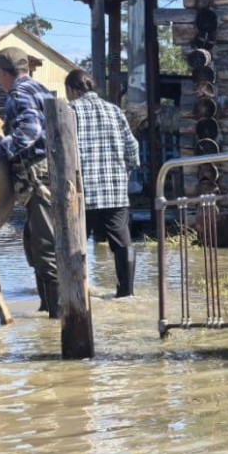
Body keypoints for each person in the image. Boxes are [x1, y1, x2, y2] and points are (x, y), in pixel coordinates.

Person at [0, 47, 59, 316]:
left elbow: (30, 129)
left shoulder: (18, 93)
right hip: (50, 172)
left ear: (2, 72)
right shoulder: (39, 88)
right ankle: (47, 309)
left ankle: (57, 316)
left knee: (45, 246)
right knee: (35, 243)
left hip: (37, 175)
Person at [65, 68, 140, 297]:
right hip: (114, 191)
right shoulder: (114, 111)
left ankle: (76, 294)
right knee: (122, 242)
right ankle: (126, 295)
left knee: (75, 244)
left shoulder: (69, 110)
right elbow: (133, 150)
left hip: (81, 193)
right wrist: (122, 175)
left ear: (71, 90)